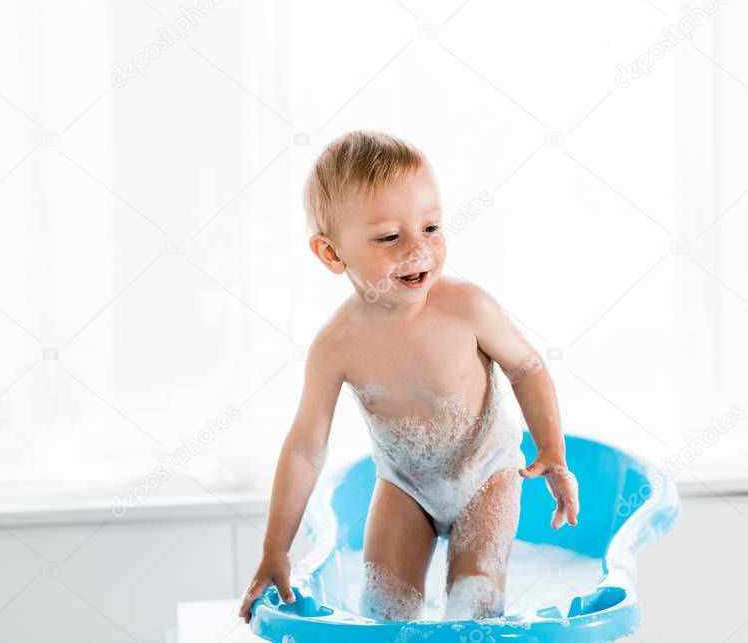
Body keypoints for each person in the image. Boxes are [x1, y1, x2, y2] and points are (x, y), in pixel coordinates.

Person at [238, 130, 578, 623]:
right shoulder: (336, 345)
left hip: (487, 472)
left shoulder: (467, 308)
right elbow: (305, 448)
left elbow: (527, 368)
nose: (418, 248)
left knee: (473, 607)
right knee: (383, 611)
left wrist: (551, 448)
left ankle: (472, 615)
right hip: (404, 484)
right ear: (332, 254)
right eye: (389, 237)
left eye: (432, 227)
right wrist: (276, 549)